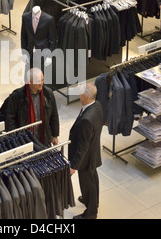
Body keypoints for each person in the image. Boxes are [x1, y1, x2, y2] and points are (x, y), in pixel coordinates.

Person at [68, 83, 103, 219]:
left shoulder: (86, 120)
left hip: (86, 158)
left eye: (80, 94)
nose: (79, 96)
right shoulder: (97, 106)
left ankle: (91, 213)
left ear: (85, 96)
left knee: (88, 183)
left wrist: (74, 166)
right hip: (93, 152)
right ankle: (93, 201)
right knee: (93, 178)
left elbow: (82, 146)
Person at [5, 68, 59, 147]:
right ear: (30, 81)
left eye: (42, 80)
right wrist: (15, 138)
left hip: (43, 138)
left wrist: (55, 135)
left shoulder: (48, 94)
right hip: (24, 140)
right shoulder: (18, 96)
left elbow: (54, 115)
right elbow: (10, 119)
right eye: (38, 81)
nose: (41, 83)